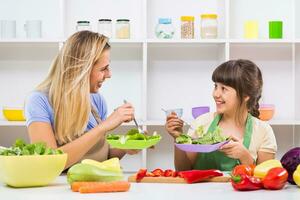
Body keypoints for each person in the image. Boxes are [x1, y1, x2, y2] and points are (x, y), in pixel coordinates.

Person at [25, 31, 138, 169]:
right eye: (104, 69)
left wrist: (126, 145)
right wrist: (104, 127)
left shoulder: (97, 101)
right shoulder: (39, 101)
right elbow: (47, 164)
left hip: (96, 185)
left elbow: (102, 156)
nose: (109, 74)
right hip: (59, 188)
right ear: (82, 69)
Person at [165, 59, 277, 171]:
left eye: (224, 89)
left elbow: (266, 179)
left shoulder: (263, 131)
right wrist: (178, 137)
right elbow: (183, 170)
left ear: (245, 95)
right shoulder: (202, 123)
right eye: (216, 86)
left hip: (241, 189)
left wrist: (245, 157)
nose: (215, 94)